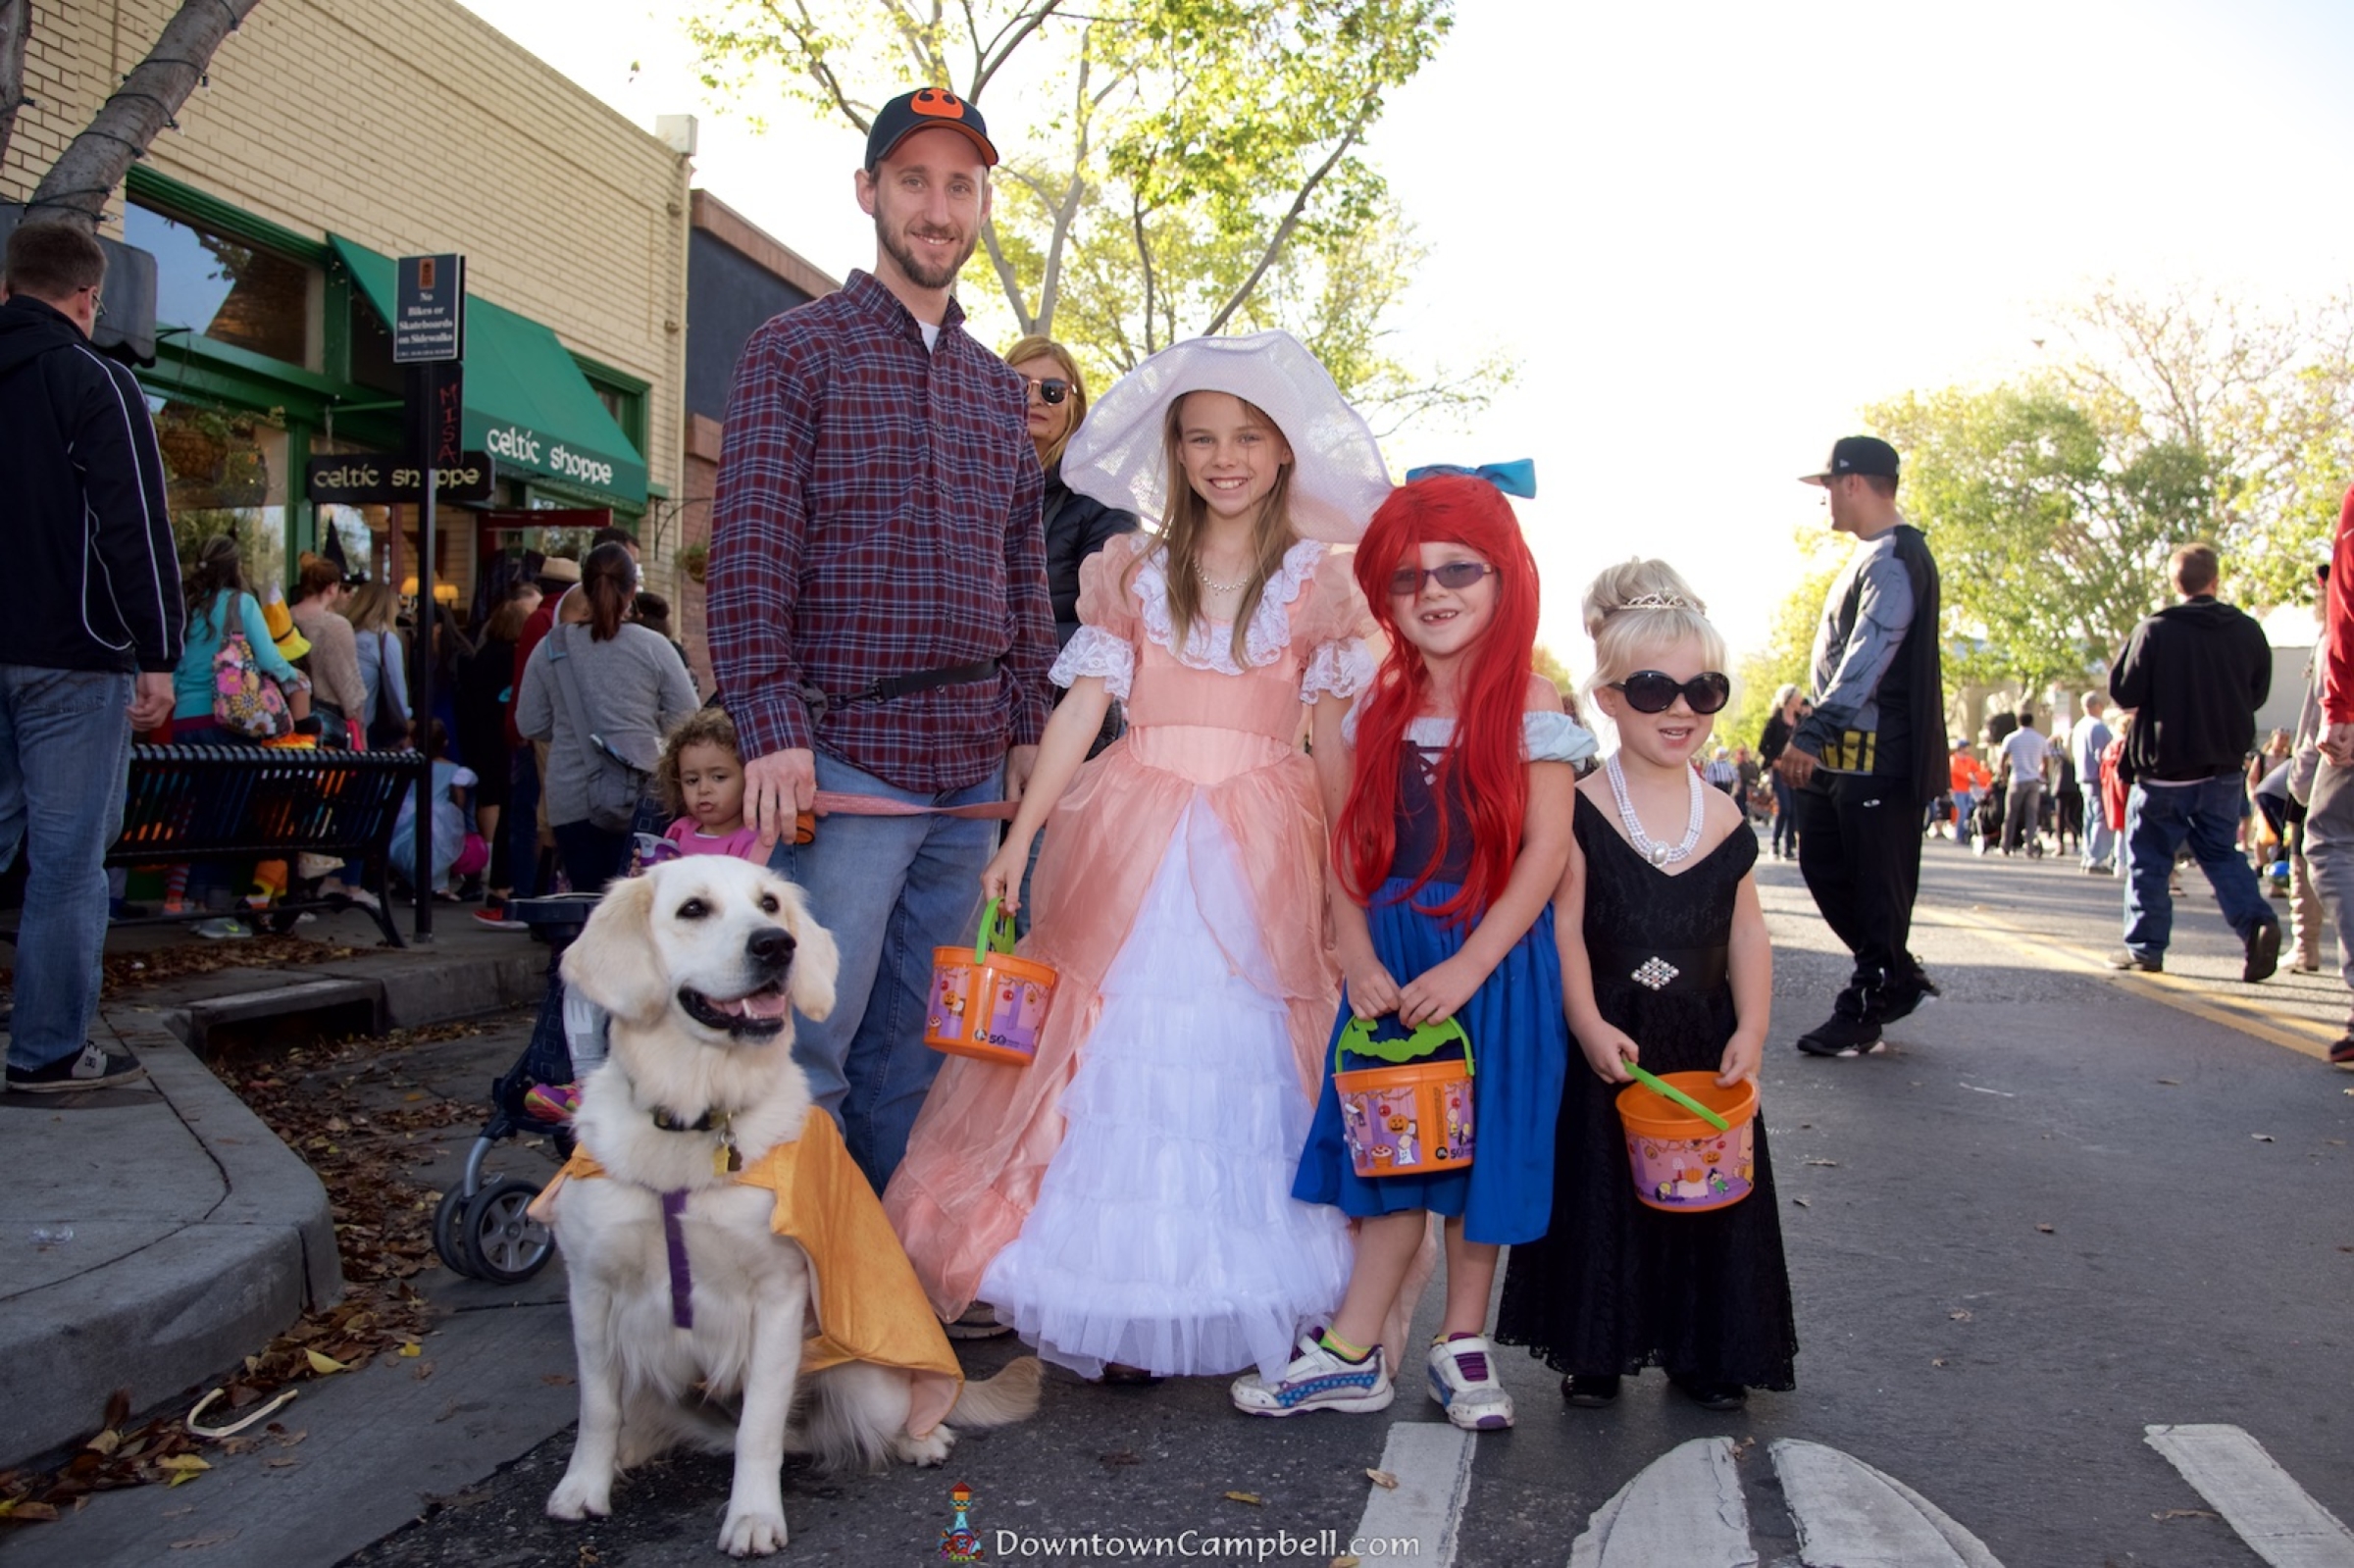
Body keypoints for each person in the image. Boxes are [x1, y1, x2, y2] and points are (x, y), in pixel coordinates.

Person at [882, 329, 1391, 1388]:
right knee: (1109, 1047)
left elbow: (1333, 743)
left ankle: (1227, 1288)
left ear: (1283, 451)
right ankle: (1116, 1296)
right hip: (1134, 832)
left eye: (1246, 437)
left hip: (1266, 837)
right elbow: (1082, 708)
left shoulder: (1318, 582)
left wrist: (1351, 875)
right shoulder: (1134, 571)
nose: (1224, 458)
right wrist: (1021, 837)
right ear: (1176, 452)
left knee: (1242, 1052)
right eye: (1201, 438)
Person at [709, 86, 1054, 1192]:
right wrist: (769, 725)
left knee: (921, 1054)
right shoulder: (795, 351)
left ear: (982, 205)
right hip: (843, 761)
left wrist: (1029, 729)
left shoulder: (999, 392)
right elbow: (750, 550)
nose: (938, 209)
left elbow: (1023, 576)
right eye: (914, 181)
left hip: (971, 776)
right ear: (869, 192)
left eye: (961, 186)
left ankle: (885, 1265)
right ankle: (790, 1266)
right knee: (804, 1039)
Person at [1227, 473, 1586, 1428]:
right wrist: (1354, 952)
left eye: (1458, 569)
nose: (1433, 592)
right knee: (1394, 1151)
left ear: (1505, 576)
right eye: (1407, 576)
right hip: (1391, 956)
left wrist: (1471, 966)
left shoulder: (1534, 701)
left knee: (1484, 1155)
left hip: (1496, 965)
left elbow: (1548, 851)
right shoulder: (1367, 699)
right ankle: (1354, 1351)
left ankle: (1461, 1345)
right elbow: (1346, 840)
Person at [1496, 559, 1795, 1413]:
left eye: (1704, 691)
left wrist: (1754, 1027)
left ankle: (1707, 1348)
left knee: (1707, 1196)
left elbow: (1747, 929)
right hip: (1613, 1031)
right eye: (1656, 688)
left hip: (1704, 1033)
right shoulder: (1582, 805)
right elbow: (1563, 927)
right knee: (1603, 1191)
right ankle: (1597, 1345)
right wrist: (1586, 1021)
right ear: (1609, 696)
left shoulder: (1726, 815)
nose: (1681, 710)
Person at [0, 222, 181, 1092]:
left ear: (9, 287)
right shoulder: (93, 379)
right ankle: (48, 1050)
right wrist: (158, 651)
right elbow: (134, 525)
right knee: (69, 863)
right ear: (87, 298)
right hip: (72, 655)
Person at [1776, 437, 1945, 1058]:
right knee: (1825, 866)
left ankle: (1869, 1001)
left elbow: (1867, 660)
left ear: (1852, 483)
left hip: (1879, 758)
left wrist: (1811, 733)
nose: (1824, 501)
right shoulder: (1873, 556)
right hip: (1845, 758)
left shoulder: (1895, 557)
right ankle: (1895, 973)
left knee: (1876, 890)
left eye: (1827, 488)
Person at [1002, 332, 1141, 936]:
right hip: (971, 723)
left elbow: (1105, 625)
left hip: (1063, 723)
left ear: (1075, 406)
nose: (1034, 398)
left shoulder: (1101, 498)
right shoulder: (966, 479)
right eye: (1018, 385)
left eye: (1052, 390)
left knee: (1037, 904)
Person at [2107, 542, 2278, 980]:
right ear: (2215, 580)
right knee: (2221, 853)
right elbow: (2257, 694)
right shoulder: (2247, 631)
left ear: (2174, 582)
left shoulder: (2155, 630)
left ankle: (2146, 946)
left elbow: (2124, 692)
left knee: (2150, 858)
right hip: (2223, 767)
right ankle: (2257, 923)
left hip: (2164, 768)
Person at [517, 542, 698, 894]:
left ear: (584, 587)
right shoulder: (654, 646)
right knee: (639, 903)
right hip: (642, 793)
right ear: (633, 591)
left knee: (588, 901)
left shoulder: (552, 647)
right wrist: (646, 730)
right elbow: (688, 719)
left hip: (571, 796)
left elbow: (530, 723)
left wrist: (574, 728)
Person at [170, 534, 312, 936]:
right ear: (235, 565)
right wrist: (294, 676)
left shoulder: (183, 605)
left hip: (185, 723)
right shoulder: (241, 603)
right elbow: (268, 658)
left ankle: (195, 902)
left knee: (202, 813)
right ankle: (214, 911)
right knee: (227, 816)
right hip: (228, 723)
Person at [457, 579, 539, 925]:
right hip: (508, 739)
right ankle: (499, 872)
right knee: (509, 805)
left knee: (491, 797)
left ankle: (490, 868)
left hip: (481, 734)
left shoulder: (481, 656)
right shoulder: (513, 658)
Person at [386, 718, 477, 898]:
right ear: (445, 742)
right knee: (439, 851)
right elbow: (459, 796)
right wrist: (456, 812)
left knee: (408, 849)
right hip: (441, 815)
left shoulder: (410, 763)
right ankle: (438, 885)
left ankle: (411, 882)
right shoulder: (454, 769)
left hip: (408, 812)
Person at [289, 553, 364, 741]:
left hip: (288, 716)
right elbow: (349, 685)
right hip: (326, 723)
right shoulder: (336, 626)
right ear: (331, 588)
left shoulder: (285, 619)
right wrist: (360, 727)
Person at [2071, 692, 2115, 873]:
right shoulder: (2098, 727)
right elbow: (2103, 755)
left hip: (2083, 776)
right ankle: (2096, 858)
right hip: (2098, 777)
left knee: (2089, 817)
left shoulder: (2079, 726)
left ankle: (2088, 855)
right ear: (2097, 706)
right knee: (2100, 818)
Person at [1758, 683, 1803, 859]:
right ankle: (1774, 844)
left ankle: (1788, 848)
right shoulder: (1775, 721)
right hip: (1779, 770)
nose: (1800, 700)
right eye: (1797, 697)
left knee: (1795, 810)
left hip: (1795, 770)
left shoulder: (1800, 720)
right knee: (1785, 808)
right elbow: (1763, 746)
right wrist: (1773, 761)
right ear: (1789, 699)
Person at [1998, 709, 2049, 858]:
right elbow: (2045, 762)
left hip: (2017, 779)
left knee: (2011, 814)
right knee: (2031, 815)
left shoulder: (2011, 738)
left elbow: (2002, 760)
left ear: (2018, 722)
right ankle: (2030, 847)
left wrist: (2004, 777)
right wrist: (2042, 774)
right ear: (2032, 722)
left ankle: (2006, 846)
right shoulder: (2040, 739)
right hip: (2034, 780)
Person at [1948, 738, 1990, 845]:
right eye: (1966, 747)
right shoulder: (1954, 759)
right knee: (1962, 812)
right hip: (1957, 790)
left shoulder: (1969, 760)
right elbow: (1956, 772)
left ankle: (1965, 835)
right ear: (1961, 748)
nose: (1968, 749)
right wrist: (1969, 778)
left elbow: (1977, 770)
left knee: (1967, 812)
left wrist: (1978, 777)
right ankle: (1959, 836)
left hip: (1968, 790)